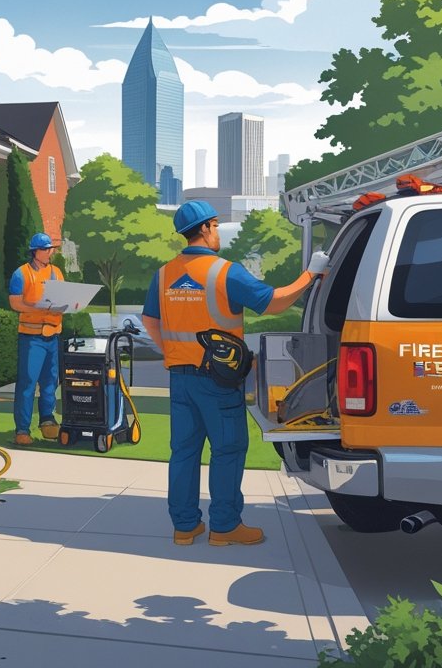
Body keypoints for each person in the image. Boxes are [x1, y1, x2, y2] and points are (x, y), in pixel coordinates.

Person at [140, 200, 328, 547]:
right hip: (218, 379)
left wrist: (172, 352)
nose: (217, 234)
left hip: (180, 378)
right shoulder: (225, 271)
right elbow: (275, 301)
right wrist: (311, 273)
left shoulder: (164, 274)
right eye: (215, 226)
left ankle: (185, 526)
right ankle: (224, 527)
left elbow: (150, 319)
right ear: (207, 228)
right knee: (227, 449)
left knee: (183, 452)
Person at [8, 233, 68, 445]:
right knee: (27, 383)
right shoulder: (21, 274)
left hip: (53, 337)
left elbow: (63, 298)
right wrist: (36, 307)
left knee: (50, 382)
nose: (50, 252)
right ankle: (22, 429)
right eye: (46, 249)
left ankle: (47, 421)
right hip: (31, 338)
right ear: (36, 251)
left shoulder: (56, 273)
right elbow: (15, 303)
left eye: (51, 248)